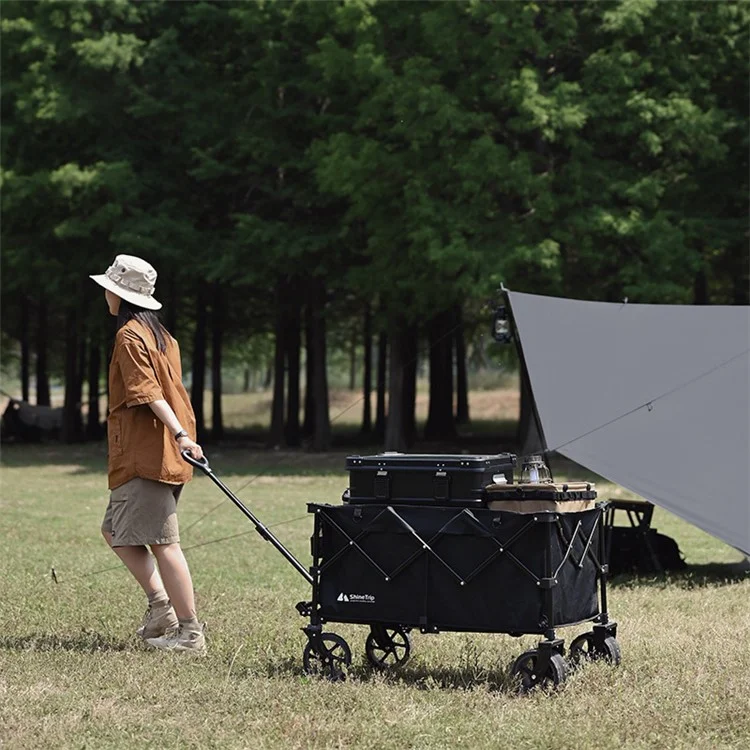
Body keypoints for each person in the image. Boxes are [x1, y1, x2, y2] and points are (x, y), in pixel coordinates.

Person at [91, 254, 206, 654]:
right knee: (114, 531)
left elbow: (150, 394)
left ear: (120, 294)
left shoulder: (129, 337)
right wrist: (184, 435)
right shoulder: (163, 336)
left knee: (163, 543)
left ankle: (190, 633)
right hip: (153, 453)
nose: (105, 292)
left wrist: (178, 434)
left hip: (148, 453)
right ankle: (161, 610)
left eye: (109, 287)